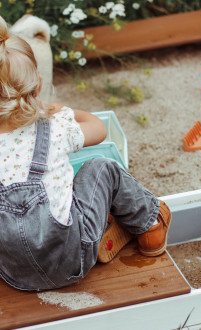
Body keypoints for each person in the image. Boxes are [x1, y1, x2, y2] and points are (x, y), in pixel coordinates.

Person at [0, 15, 171, 291]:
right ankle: (151, 225)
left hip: (15, 274)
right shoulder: (55, 124)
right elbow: (98, 129)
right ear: (39, 85)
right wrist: (60, 110)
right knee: (100, 168)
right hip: (74, 259)